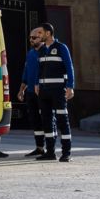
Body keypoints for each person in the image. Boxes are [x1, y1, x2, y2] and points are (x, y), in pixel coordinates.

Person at [33, 22, 74, 162]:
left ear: (48, 33)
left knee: (62, 120)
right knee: (46, 121)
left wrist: (70, 86)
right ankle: (50, 152)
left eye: (40, 33)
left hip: (58, 90)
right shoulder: (41, 50)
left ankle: (66, 153)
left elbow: (69, 67)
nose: (38, 35)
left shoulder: (61, 47)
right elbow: (39, 69)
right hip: (43, 91)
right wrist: (37, 83)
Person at [18, 27, 46, 157]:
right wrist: (21, 90)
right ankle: (39, 147)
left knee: (47, 119)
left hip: (43, 91)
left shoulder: (47, 52)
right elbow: (26, 72)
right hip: (30, 92)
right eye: (30, 37)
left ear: (42, 37)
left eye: (34, 38)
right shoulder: (30, 53)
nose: (31, 40)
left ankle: (50, 149)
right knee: (35, 120)